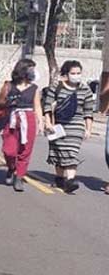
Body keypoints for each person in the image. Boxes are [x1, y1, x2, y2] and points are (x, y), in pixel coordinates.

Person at [42, 60, 95, 193]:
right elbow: (47, 106)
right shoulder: (56, 87)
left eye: (78, 73)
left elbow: (88, 111)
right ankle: (60, 178)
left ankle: (70, 180)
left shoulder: (85, 90)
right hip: (58, 125)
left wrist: (88, 129)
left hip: (76, 126)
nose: (76, 75)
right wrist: (48, 122)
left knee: (71, 152)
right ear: (66, 74)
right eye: (73, 73)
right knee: (58, 152)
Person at [0, 58, 43, 192]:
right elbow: (0, 103)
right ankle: (11, 167)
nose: (33, 72)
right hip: (11, 118)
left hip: (28, 119)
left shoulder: (34, 88)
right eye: (31, 69)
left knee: (25, 150)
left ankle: (19, 177)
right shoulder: (9, 85)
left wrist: (40, 122)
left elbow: (37, 107)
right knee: (9, 150)